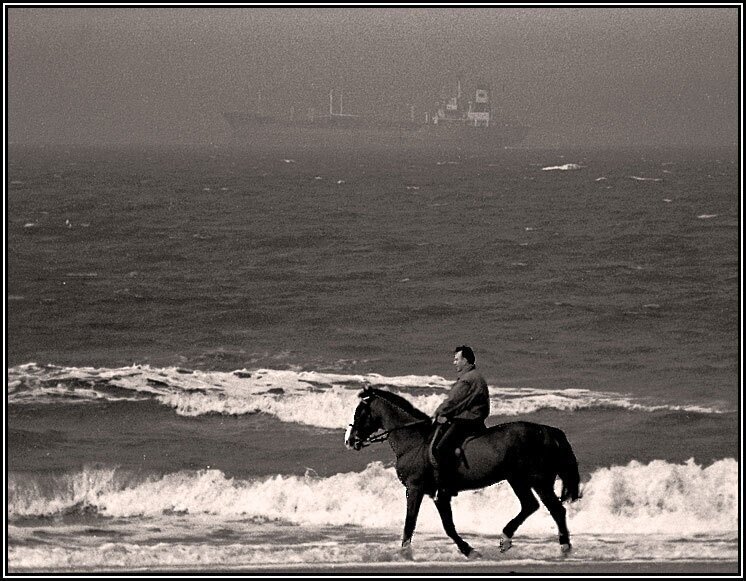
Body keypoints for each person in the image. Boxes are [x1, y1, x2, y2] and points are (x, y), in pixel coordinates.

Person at [430, 345, 490, 500]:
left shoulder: (467, 379)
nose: (454, 362)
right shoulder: (476, 375)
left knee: (440, 448)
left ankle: (447, 486)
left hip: (468, 419)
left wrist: (438, 413)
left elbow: (452, 401)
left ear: (466, 360)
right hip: (477, 418)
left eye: (457, 359)